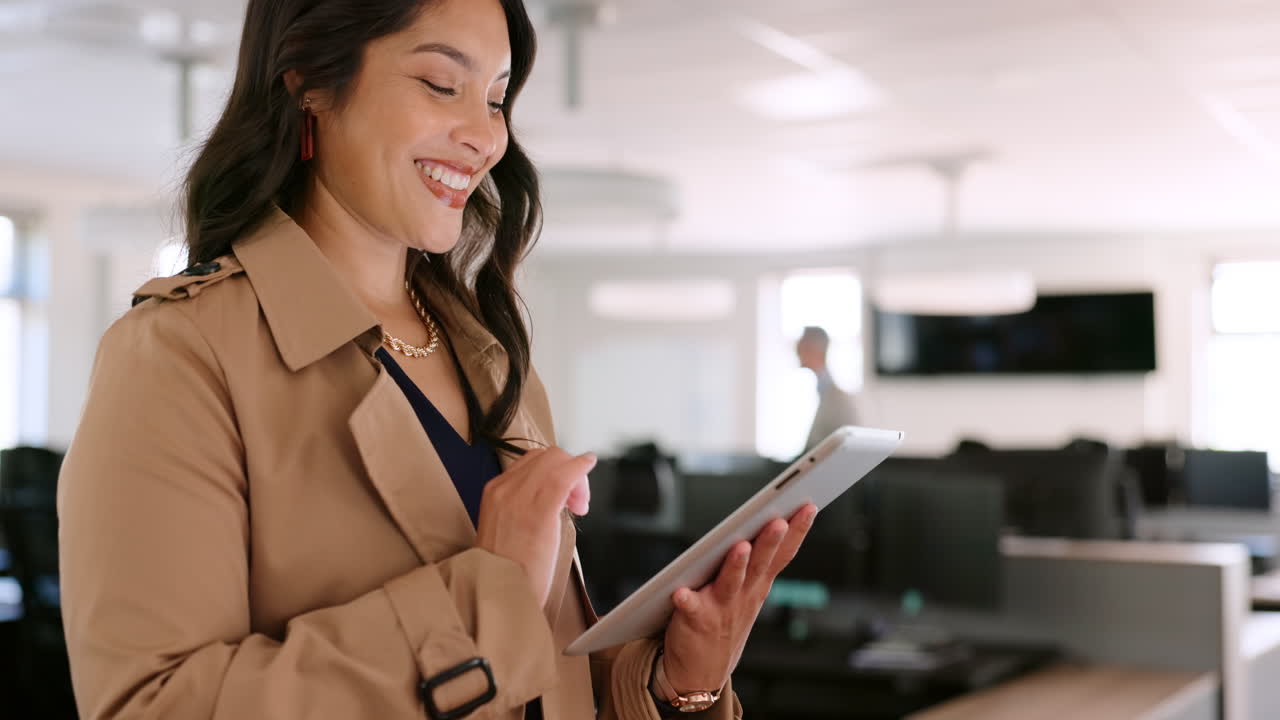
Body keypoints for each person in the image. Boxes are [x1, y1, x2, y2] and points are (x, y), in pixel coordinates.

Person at [55, 1, 816, 718]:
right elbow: (152, 705)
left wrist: (677, 680)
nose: (486, 137)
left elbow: (539, 680)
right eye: (440, 83)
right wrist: (489, 597)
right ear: (311, 82)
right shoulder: (179, 356)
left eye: (494, 98)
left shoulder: (493, 357)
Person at [796, 326, 858, 451]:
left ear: (810, 349)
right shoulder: (818, 389)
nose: (796, 351)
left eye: (800, 346)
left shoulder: (838, 399)